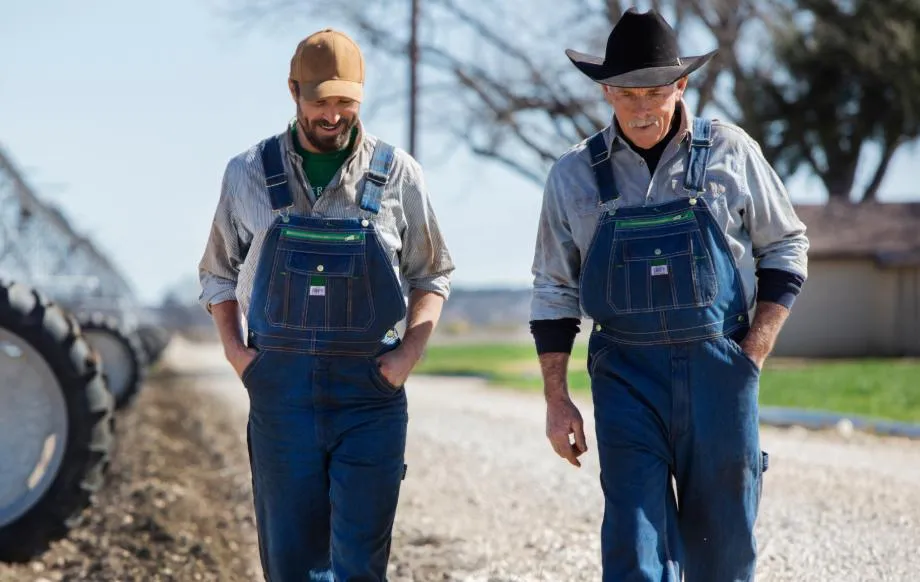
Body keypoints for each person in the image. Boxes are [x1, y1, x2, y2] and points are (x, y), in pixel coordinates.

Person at [529, 9, 809, 582]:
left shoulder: (731, 152)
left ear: (681, 86)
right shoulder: (572, 176)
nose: (641, 107)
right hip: (626, 378)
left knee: (723, 552)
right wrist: (557, 400)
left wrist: (749, 355)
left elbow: (786, 247)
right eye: (627, 92)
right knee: (633, 546)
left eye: (655, 91)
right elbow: (554, 288)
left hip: (720, 371)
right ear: (605, 90)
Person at [197, 28, 454, 581]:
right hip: (281, 394)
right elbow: (218, 273)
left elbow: (431, 273)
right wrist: (238, 355)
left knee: (360, 564)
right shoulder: (246, 173)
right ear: (293, 91)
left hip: (369, 396)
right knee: (290, 565)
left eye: (345, 102)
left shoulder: (398, 175)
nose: (333, 115)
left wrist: (409, 353)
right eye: (320, 102)